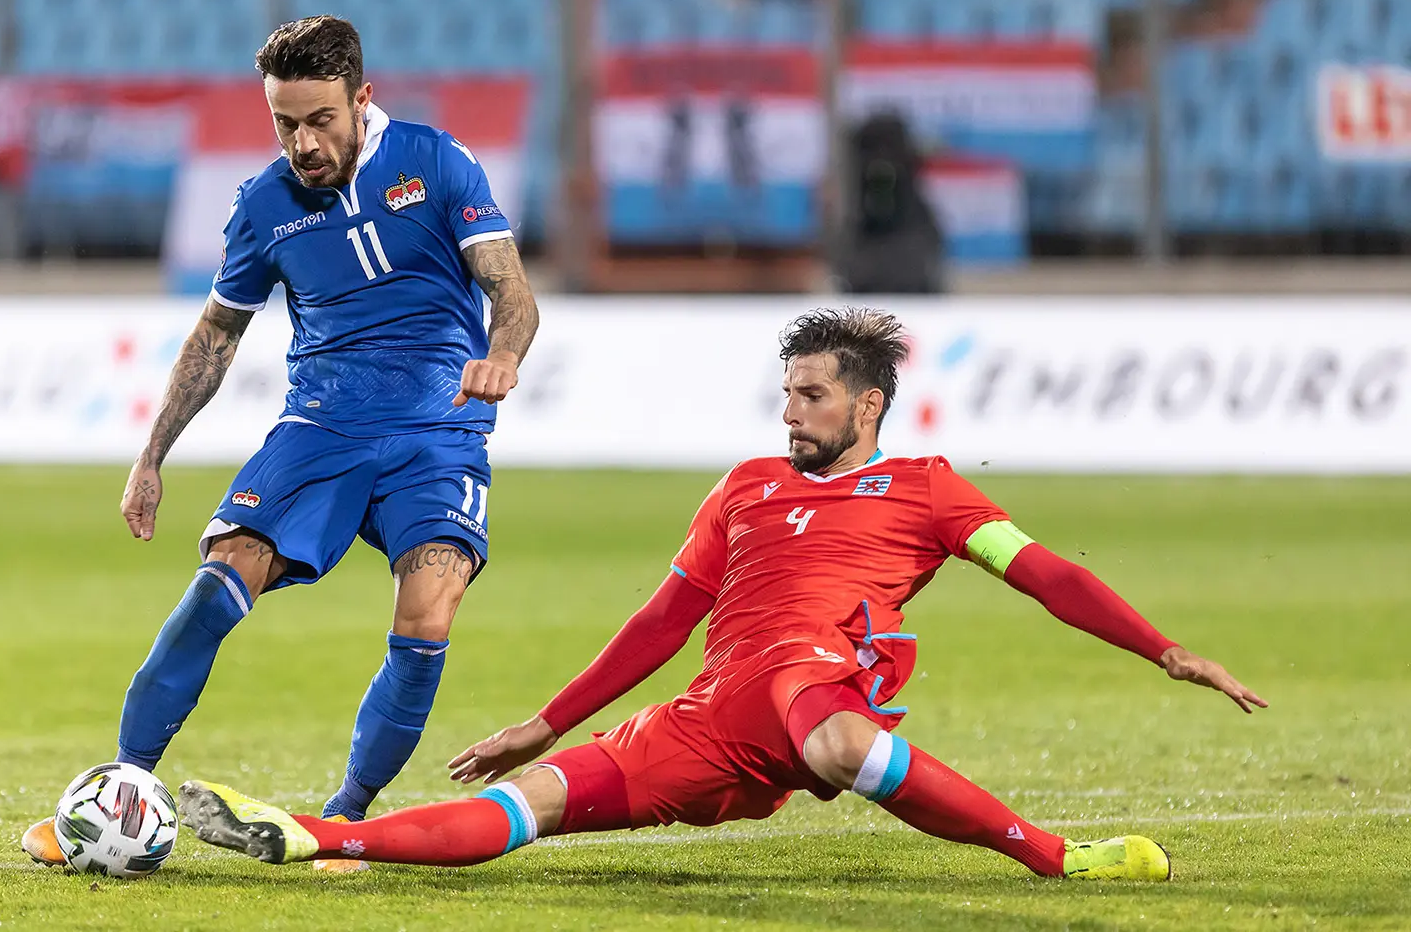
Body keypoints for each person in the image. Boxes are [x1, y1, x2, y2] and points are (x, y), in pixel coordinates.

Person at [176, 308, 1265, 880]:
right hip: (715, 716)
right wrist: (547, 721)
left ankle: (1059, 858)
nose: (789, 411)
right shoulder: (743, 487)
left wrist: (1163, 648)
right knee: (527, 810)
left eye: (812, 394)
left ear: (867, 406)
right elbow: (663, 620)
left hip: (814, 679)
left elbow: (1045, 573)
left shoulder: (930, 489)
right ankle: (316, 837)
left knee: (838, 737)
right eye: (785, 392)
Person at [22, 15, 539, 874]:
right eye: (285, 124)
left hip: (438, 431)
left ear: (362, 99)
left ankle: (340, 823)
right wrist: (151, 457)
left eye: (320, 121)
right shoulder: (263, 205)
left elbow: (511, 291)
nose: (303, 143)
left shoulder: (438, 162)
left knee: (428, 614)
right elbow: (215, 337)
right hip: (321, 429)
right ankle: (120, 791)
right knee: (218, 580)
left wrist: (503, 355)